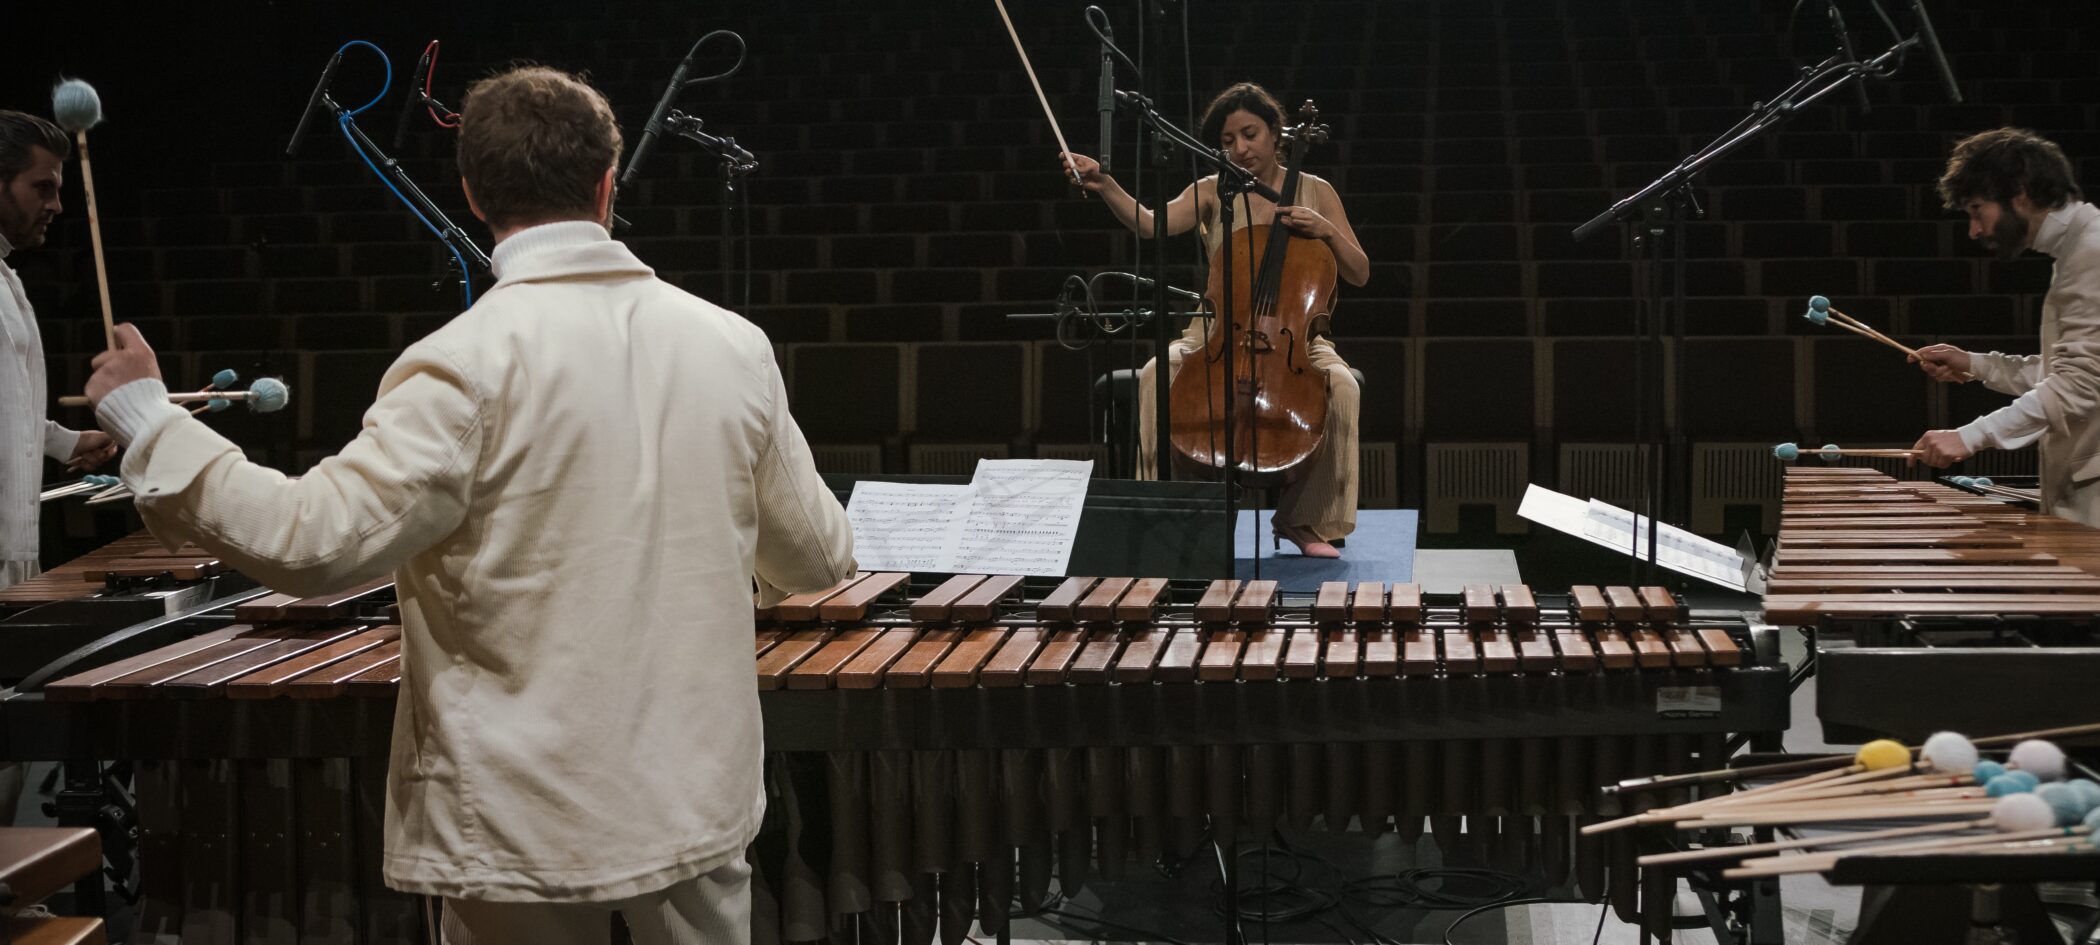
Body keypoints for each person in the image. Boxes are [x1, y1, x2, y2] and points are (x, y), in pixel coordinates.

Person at [83, 66, 854, 943]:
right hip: (693, 801)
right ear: (609, 184)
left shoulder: (460, 364)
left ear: (474, 194)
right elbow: (817, 559)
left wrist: (151, 423)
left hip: (520, 820)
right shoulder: (734, 347)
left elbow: (312, 542)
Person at [1061, 82, 1369, 557]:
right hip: (1217, 331)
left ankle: (1300, 519)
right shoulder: (1213, 190)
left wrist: (1325, 229)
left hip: (1297, 339)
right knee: (1154, 374)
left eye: (1250, 134)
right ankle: (1163, 510)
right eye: (1227, 141)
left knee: (1344, 387)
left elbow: (1360, 272)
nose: (1240, 148)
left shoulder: (1316, 191)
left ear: (1276, 134)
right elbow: (1151, 223)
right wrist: (1105, 184)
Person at [0, 109, 117, 825]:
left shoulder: (7, 282)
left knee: (7, 753)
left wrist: (64, 443)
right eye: (41, 187)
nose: (57, 205)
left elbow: (9, 407)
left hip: (14, 554)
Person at [1908, 128, 2100, 526]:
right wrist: (1977, 365)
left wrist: (1971, 435)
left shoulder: (2092, 251)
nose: (1974, 230)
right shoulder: (2077, 250)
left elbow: (2082, 383)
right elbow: (2066, 372)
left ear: (2021, 194)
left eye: (1978, 209)